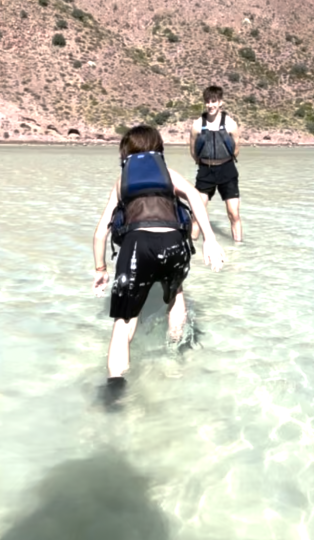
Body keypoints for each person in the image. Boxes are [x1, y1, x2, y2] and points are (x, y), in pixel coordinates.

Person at [92, 125, 226, 407]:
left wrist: (101, 270)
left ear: (125, 152)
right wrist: (210, 239)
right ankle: (176, 358)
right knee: (175, 294)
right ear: (158, 148)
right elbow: (195, 199)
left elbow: (100, 233)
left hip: (136, 247)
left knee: (125, 320)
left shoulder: (122, 182)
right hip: (173, 244)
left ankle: (115, 385)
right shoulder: (169, 175)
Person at [189, 85, 243, 242]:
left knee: (234, 214)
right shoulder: (197, 125)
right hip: (205, 171)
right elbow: (193, 151)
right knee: (196, 214)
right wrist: (205, 163)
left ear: (221, 102)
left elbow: (236, 149)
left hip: (227, 170)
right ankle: (192, 251)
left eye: (214, 101)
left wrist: (222, 161)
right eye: (207, 101)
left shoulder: (231, 124)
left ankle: (238, 248)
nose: (210, 105)